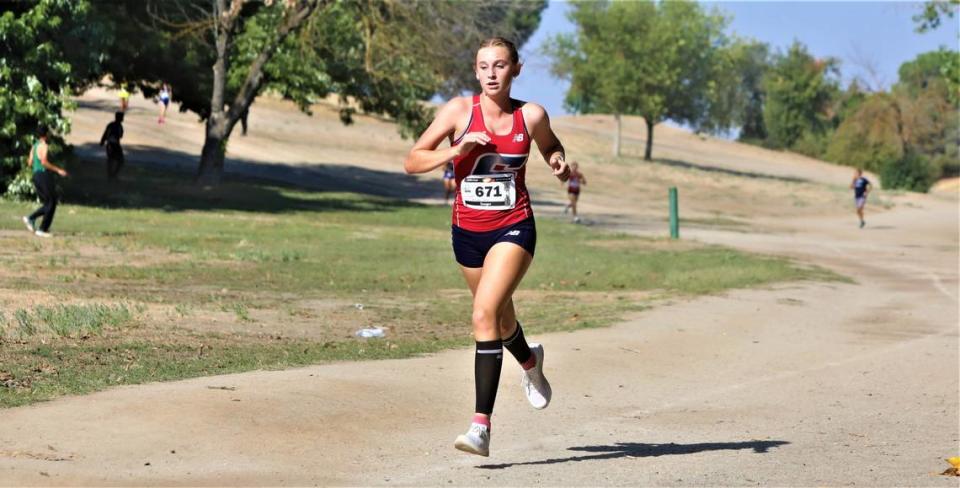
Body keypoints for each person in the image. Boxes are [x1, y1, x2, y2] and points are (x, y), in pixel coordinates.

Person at [404, 37, 570, 457]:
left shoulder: (530, 115)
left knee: (483, 313)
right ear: (476, 71)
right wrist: (458, 150)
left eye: (500, 65)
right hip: (467, 234)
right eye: (484, 66)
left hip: (514, 227)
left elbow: (550, 144)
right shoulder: (460, 111)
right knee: (499, 318)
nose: (492, 73)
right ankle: (530, 362)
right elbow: (413, 159)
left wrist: (556, 159)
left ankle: (481, 427)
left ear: (516, 69)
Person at [22, 126, 68, 237]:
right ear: (46, 134)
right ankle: (41, 228)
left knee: (49, 202)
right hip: (43, 175)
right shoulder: (44, 146)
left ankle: (32, 220)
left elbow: (29, 162)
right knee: (52, 202)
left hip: (36, 175)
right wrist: (58, 170)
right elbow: (44, 162)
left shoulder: (34, 146)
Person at [100, 111, 125, 180]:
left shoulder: (111, 125)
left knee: (112, 160)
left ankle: (111, 175)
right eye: (122, 117)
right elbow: (120, 135)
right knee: (118, 160)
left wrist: (102, 141)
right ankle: (112, 175)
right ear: (120, 118)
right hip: (113, 145)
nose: (123, 119)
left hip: (111, 144)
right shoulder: (118, 126)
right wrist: (102, 140)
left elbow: (105, 134)